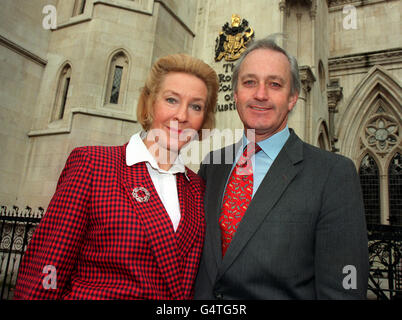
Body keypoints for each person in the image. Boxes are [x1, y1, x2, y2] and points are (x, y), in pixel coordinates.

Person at [13, 53, 218, 299]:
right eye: (171, 100)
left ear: (203, 119)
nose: (182, 115)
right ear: (150, 103)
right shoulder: (93, 165)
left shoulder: (197, 188)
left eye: (196, 106)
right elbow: (45, 271)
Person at [194, 36, 369, 299]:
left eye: (274, 84)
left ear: (292, 98)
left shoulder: (333, 174)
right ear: (236, 94)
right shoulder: (212, 165)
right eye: (250, 82)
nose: (260, 94)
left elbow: (345, 288)